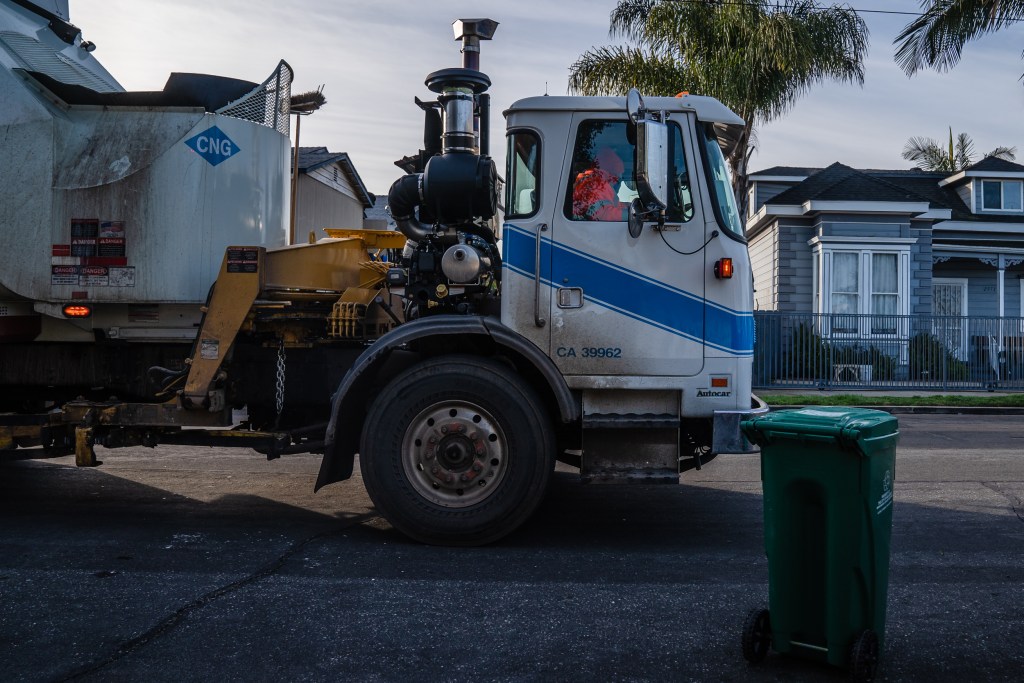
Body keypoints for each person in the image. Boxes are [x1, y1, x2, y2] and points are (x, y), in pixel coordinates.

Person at [572, 145, 627, 221]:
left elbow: (615, 204)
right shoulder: (597, 184)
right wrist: (632, 216)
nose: (620, 179)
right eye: (619, 175)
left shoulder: (594, 182)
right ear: (612, 172)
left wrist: (631, 207)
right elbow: (603, 213)